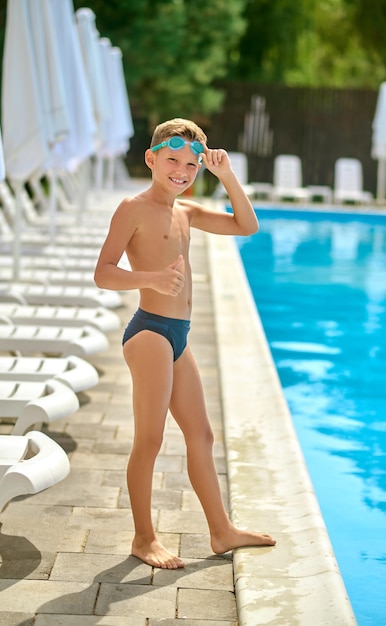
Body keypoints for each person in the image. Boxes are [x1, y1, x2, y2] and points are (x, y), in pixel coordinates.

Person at [94, 118, 276, 569]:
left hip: (179, 336)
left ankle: (221, 530)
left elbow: (246, 225)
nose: (181, 169)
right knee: (151, 439)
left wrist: (227, 176)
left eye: (192, 164)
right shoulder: (132, 208)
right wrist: (152, 278)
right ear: (151, 159)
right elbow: (103, 272)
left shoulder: (187, 212)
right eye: (172, 159)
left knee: (202, 434)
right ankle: (143, 537)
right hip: (150, 331)